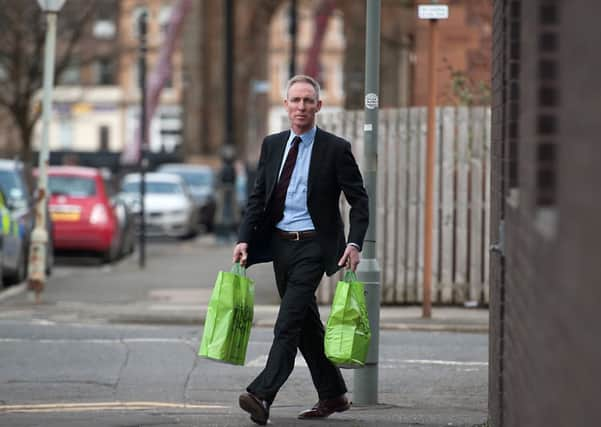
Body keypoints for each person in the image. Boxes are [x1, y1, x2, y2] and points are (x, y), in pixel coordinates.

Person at [233, 75, 369, 425]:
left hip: (314, 246)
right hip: (280, 246)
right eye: (295, 100)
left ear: (318, 106)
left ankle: (262, 395)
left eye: (308, 101)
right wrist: (244, 238)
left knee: (288, 323)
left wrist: (354, 243)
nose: (302, 107)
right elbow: (258, 197)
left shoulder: (335, 149)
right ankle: (334, 395)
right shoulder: (272, 144)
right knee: (306, 325)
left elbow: (359, 200)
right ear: (286, 105)